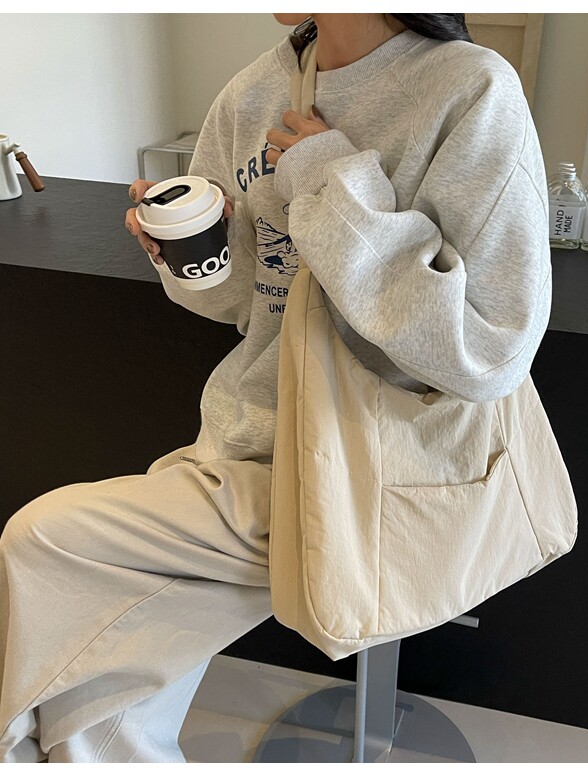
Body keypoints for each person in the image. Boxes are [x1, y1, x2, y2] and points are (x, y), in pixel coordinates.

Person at [0, 13, 551, 762]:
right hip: (251, 440)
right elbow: (246, 304)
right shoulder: (254, 92)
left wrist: (330, 179)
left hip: (380, 466)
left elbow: (489, 349)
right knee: (106, 684)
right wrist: (186, 253)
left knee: (49, 543)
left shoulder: (471, 90)